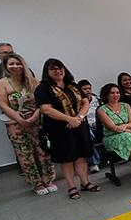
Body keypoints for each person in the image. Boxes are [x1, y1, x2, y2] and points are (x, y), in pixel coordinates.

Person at [35, 58, 99, 199]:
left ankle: (85, 182)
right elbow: (46, 109)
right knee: (67, 159)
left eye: (60, 68)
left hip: (79, 125)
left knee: (81, 156)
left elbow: (85, 102)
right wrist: (69, 119)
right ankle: (71, 186)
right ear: (47, 72)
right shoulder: (43, 88)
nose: (58, 71)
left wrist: (79, 118)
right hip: (59, 129)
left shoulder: (73, 85)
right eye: (53, 69)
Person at [0, 54, 56, 195]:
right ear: (6, 66)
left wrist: (34, 117)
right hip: (16, 124)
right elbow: (3, 105)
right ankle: (37, 183)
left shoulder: (33, 81)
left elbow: (42, 102)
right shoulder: (1, 83)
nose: (15, 67)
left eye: (18, 63)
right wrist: (20, 119)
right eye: (12, 64)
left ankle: (49, 179)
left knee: (43, 150)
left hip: (37, 121)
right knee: (25, 154)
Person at [78, 79, 101, 173]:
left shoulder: (98, 100)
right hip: (87, 126)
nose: (88, 90)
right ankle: (93, 163)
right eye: (84, 89)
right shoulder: (78, 102)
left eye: (89, 88)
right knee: (87, 135)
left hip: (100, 124)